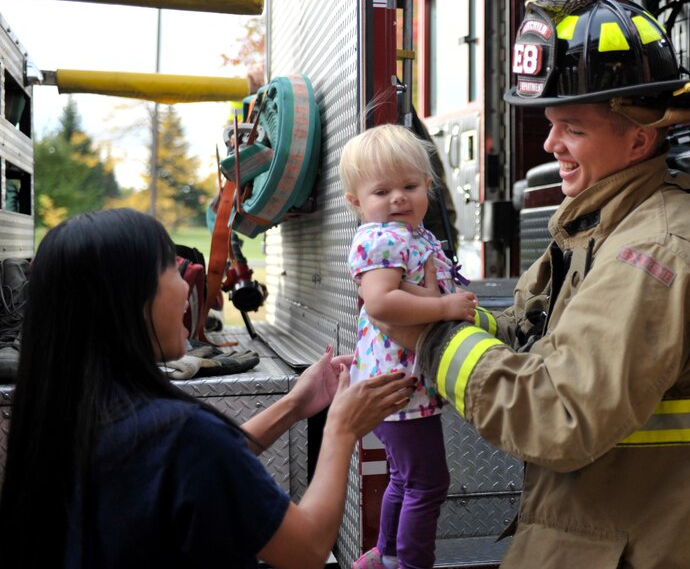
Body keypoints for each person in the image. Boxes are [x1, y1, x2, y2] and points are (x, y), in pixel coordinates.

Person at [380, 0, 690, 569]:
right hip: (608, 530)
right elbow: (531, 333)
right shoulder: (602, 223)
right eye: (553, 125)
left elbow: (556, 414)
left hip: (647, 544)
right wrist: (449, 311)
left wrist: (433, 342)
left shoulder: (652, 256)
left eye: (573, 129)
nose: (549, 145)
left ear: (638, 139)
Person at [0, 208, 415, 569]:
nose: (186, 288)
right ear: (128, 300)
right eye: (171, 270)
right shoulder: (180, 434)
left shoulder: (67, 413)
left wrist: (294, 405)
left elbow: (197, 467)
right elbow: (306, 550)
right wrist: (340, 429)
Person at [339, 124, 478, 569]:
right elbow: (380, 301)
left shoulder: (412, 237)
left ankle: (386, 555)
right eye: (382, 190)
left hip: (399, 383)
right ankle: (411, 564)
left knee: (404, 476)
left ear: (428, 187)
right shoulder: (382, 238)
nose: (398, 197)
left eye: (409, 186)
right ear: (356, 202)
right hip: (398, 385)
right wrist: (444, 307)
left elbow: (406, 288)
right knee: (429, 483)